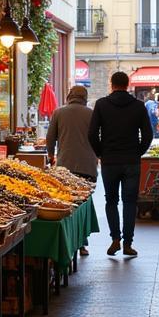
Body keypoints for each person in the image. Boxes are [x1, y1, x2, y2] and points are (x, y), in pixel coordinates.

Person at [89, 71, 153, 257]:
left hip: (109, 161)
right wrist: (138, 151)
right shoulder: (138, 106)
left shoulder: (101, 105)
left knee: (111, 200)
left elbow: (92, 133)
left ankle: (115, 239)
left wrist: (101, 153)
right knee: (130, 202)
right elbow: (148, 135)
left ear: (111, 84)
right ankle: (128, 243)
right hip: (131, 161)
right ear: (128, 85)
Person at [45, 85, 98, 256]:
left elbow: (50, 138)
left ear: (69, 95)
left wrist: (51, 156)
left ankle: (69, 242)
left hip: (65, 165)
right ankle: (82, 244)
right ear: (85, 97)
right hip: (88, 166)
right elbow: (98, 138)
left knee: (67, 202)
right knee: (84, 204)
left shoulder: (59, 112)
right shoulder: (91, 113)